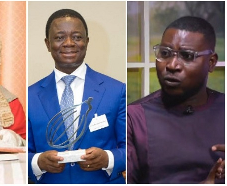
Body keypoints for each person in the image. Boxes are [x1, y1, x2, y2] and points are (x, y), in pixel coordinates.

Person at [28, 9, 126, 184]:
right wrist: (37, 162)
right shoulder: (30, 96)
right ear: (48, 44)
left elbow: (132, 149)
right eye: (59, 37)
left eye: (77, 37)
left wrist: (108, 158)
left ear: (87, 42)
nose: (69, 43)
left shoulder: (117, 91)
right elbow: (21, 153)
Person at [127, 16, 225, 184]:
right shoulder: (134, 118)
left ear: (211, 62)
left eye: (187, 56)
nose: (172, 65)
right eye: (164, 53)